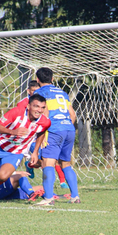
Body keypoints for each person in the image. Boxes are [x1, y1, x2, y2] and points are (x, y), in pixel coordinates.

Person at [33, 67, 80, 206]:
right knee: (66, 164)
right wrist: (65, 126)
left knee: (48, 163)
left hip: (53, 130)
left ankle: (48, 199)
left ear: (37, 80)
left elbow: (44, 114)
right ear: (52, 79)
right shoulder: (63, 93)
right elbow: (73, 115)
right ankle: (75, 196)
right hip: (69, 129)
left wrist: (43, 134)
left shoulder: (40, 92)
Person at [20, 80, 68, 189]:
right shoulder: (25, 103)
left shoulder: (42, 103)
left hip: (42, 135)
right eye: (33, 91)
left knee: (50, 159)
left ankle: (61, 181)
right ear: (29, 91)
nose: (36, 93)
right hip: (31, 138)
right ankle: (49, 187)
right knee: (44, 162)